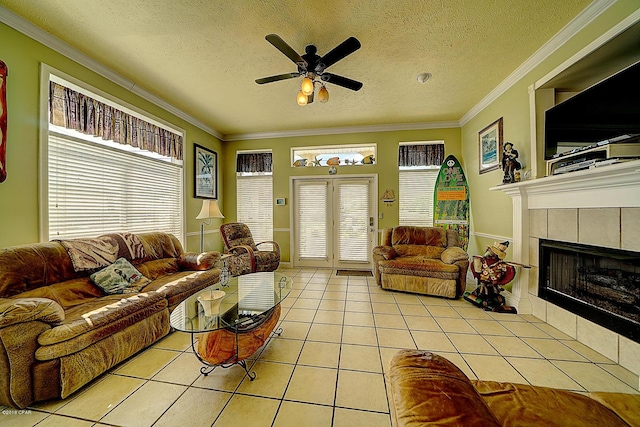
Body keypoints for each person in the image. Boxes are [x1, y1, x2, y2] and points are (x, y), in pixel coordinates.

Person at [464, 241, 517, 313]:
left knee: (489, 298)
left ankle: (492, 303)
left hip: (492, 286)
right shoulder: (483, 261)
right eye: (489, 250)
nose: (489, 251)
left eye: (491, 250)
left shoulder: (500, 264)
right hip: (483, 285)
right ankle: (486, 303)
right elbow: (475, 268)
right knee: (471, 295)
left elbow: (507, 273)